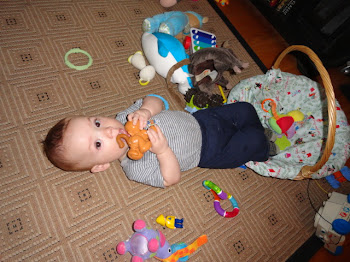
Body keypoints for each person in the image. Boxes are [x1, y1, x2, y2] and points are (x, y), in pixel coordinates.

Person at [43, 95, 279, 188]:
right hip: (210, 151)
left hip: (202, 119)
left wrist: (146, 111)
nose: (107, 131)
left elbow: (158, 100)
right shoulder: (135, 168)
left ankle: (259, 129)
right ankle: (265, 148)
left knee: (245, 109)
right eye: (97, 144)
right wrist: (163, 150)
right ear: (101, 166)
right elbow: (171, 178)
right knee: (253, 141)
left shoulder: (126, 118)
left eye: (96, 123)